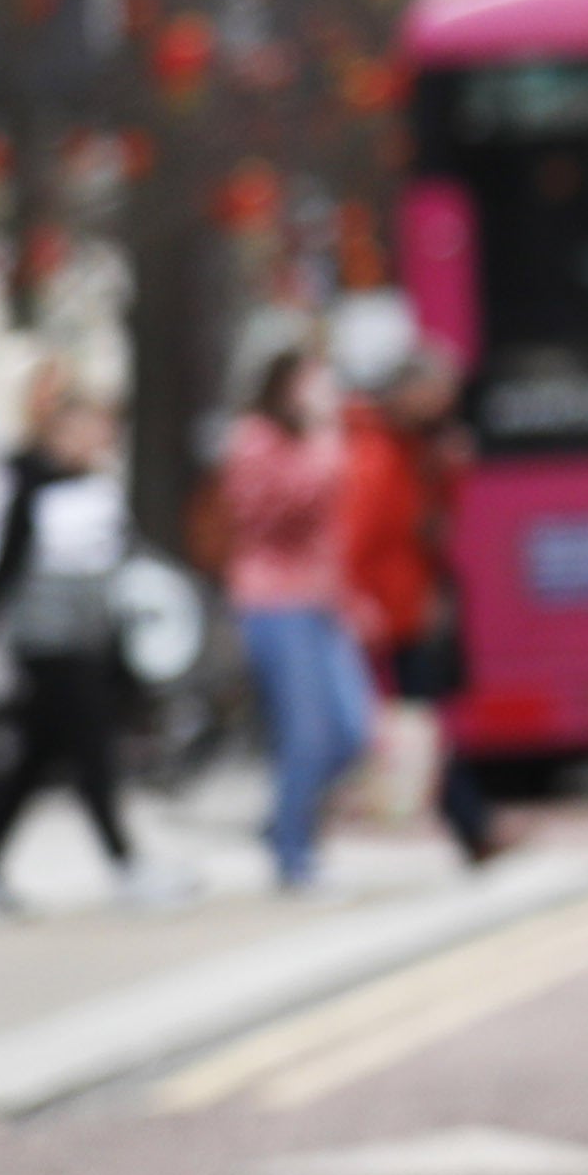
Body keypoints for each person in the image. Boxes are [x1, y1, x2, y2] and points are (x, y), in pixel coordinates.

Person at [0, 368, 188, 909]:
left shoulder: (100, 490)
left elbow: (126, 563)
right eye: (82, 428)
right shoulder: (26, 489)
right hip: (48, 646)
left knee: (37, 759)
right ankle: (126, 865)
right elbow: (2, 573)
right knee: (92, 757)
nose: (95, 439)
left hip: (92, 642)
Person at [215, 346, 373, 893]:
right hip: (275, 602)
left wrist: (350, 597)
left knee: (353, 731)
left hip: (323, 600)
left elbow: (329, 533)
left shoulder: (315, 441)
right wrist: (324, 448)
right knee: (304, 734)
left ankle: (283, 822)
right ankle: (293, 853)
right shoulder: (256, 439)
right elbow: (273, 515)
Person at [345, 342, 506, 866]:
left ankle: (472, 825)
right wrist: (356, 602)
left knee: (424, 720)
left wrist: (451, 473)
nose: (444, 406)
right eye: (435, 395)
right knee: (413, 723)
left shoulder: (417, 449)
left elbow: (436, 530)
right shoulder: (376, 454)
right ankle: (470, 824)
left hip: (412, 604)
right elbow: (357, 539)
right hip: (384, 611)